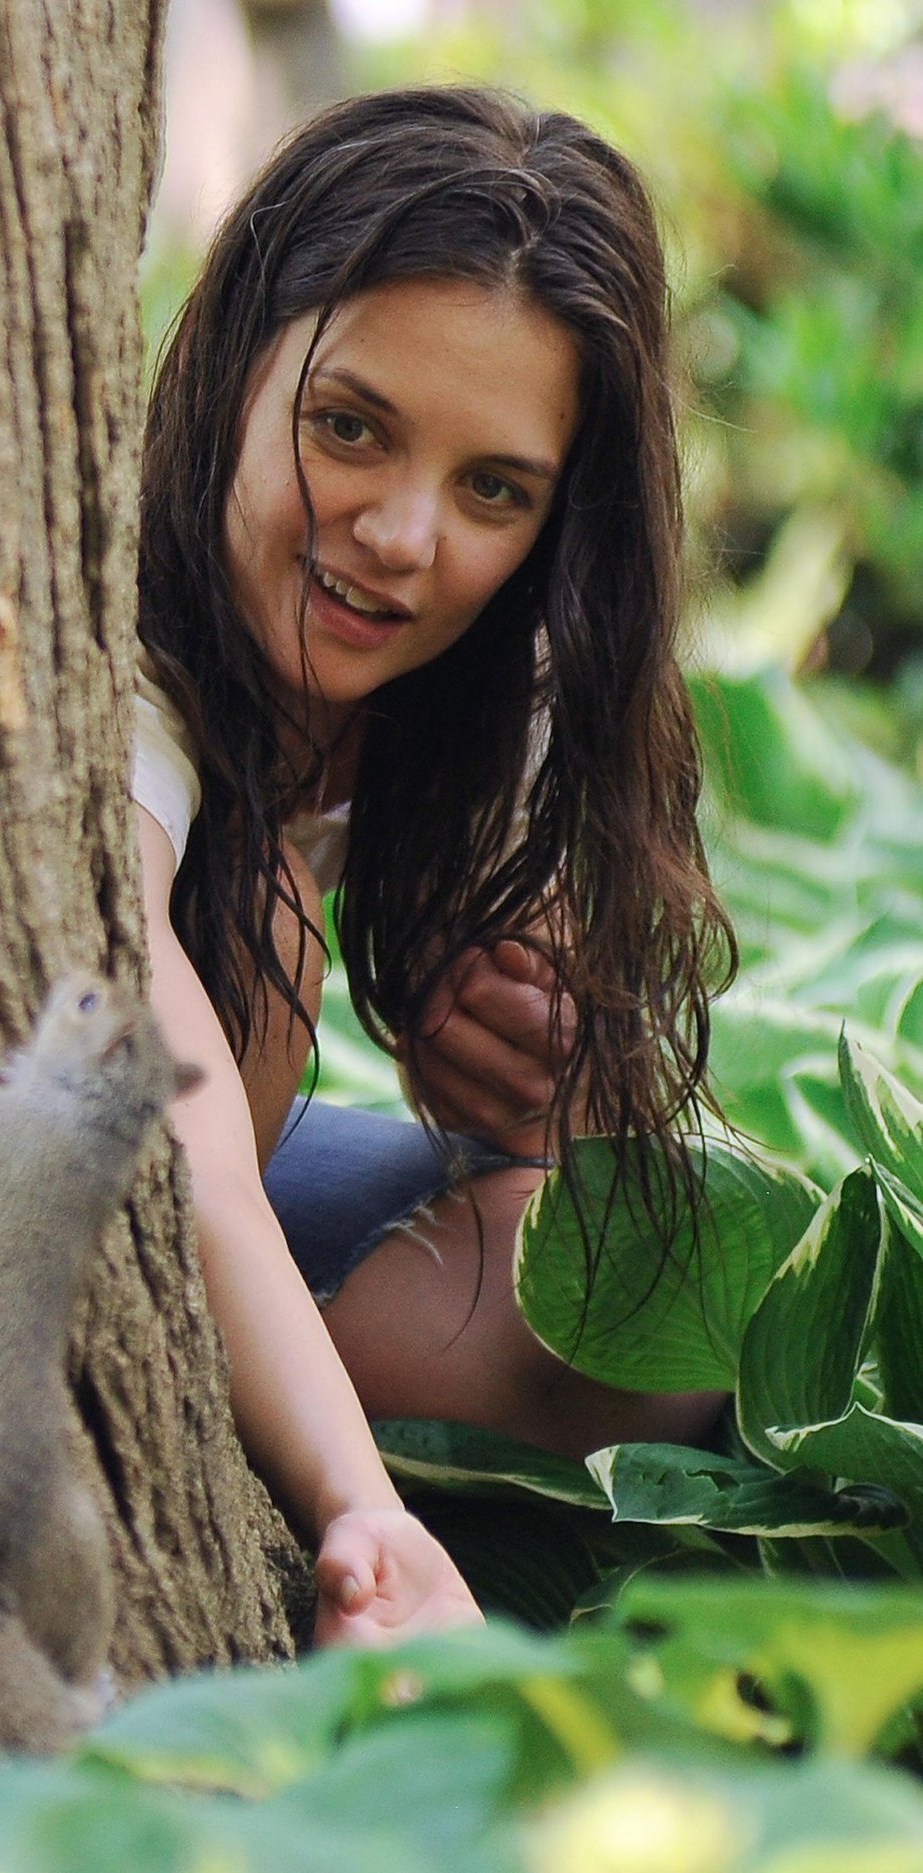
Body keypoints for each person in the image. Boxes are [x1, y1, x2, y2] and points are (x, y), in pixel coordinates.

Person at [130, 86, 737, 1648]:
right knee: (250, 930)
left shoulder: (478, 686)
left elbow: (639, 1255)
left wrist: (558, 1101)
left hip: (261, 1198)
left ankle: (255, 1382)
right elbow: (162, 1097)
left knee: (643, 1322)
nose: (404, 537)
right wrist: (356, 1503)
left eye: (492, 490)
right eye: (349, 426)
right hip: (112, 1191)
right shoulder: (126, 667)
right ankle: (259, 1414)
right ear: (233, 364)